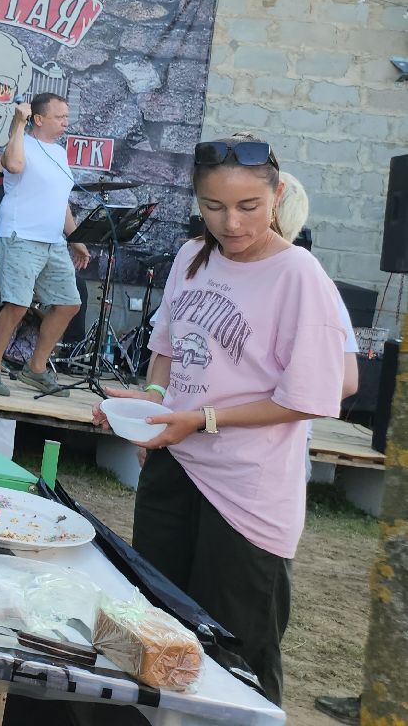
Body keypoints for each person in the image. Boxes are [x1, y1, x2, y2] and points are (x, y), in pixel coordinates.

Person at [93, 136, 347, 704]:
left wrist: (200, 418)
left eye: (248, 207)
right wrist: (152, 403)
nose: (229, 223)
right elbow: (166, 346)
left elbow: (306, 397)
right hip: (173, 467)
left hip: (246, 495)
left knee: (238, 656)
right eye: (213, 207)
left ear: (277, 196)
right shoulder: (191, 256)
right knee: (154, 630)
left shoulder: (299, 277)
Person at [0, 94, 90, 396]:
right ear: (38, 119)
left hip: (53, 241)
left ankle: (36, 368)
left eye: (67, 116)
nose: (66, 122)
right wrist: (18, 122)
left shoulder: (60, 153)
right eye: (60, 116)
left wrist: (75, 239)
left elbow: (60, 200)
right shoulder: (21, 144)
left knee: (69, 303)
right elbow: (13, 166)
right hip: (20, 235)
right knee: (17, 304)